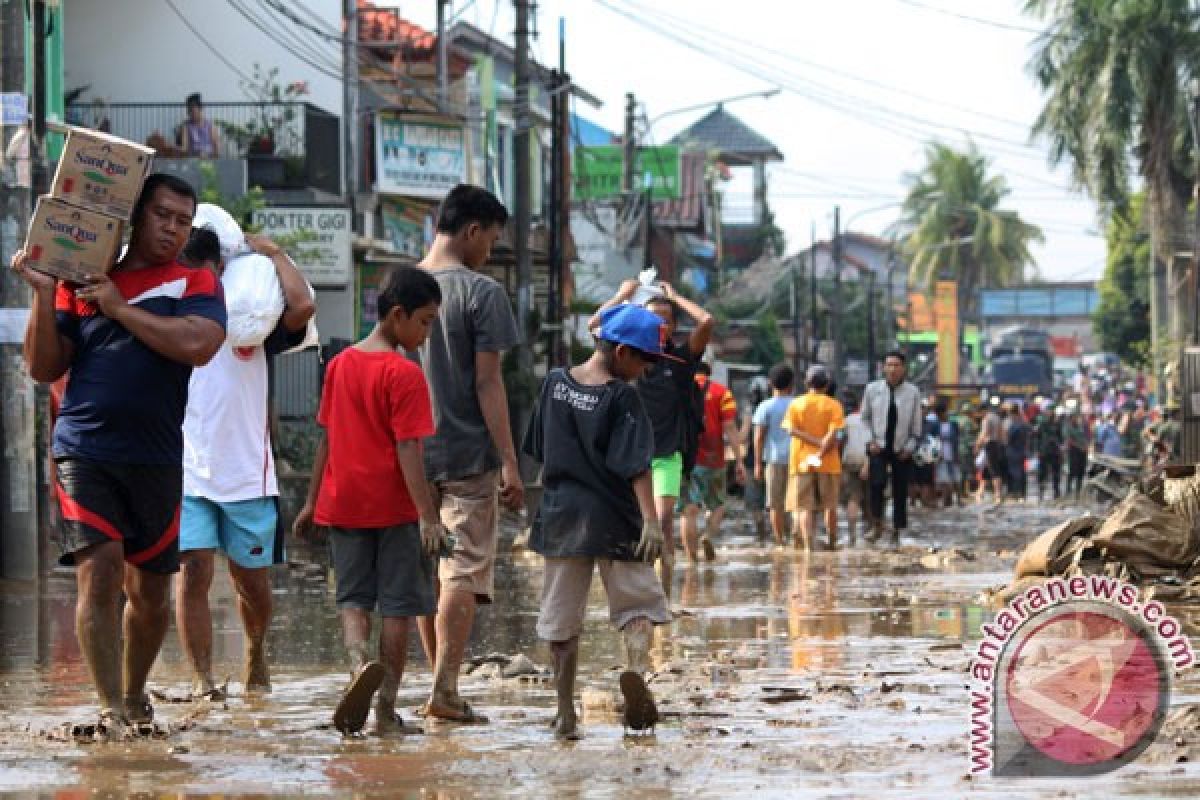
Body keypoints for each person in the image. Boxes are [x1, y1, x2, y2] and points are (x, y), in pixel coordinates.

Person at [13, 174, 226, 736]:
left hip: (157, 457)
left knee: (152, 594)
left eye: (184, 220)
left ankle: (134, 696)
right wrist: (41, 290)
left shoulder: (196, 281)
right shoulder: (81, 278)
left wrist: (118, 307)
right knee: (99, 572)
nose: (173, 229)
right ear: (136, 217)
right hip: (84, 448)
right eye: (163, 216)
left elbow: (198, 344)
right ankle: (111, 708)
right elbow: (42, 367)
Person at [293, 266, 444, 736]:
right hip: (396, 510)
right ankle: (385, 710)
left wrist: (310, 503)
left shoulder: (340, 364)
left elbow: (326, 438)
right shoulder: (405, 374)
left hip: (343, 505)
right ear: (397, 316)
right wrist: (428, 516)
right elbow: (408, 448)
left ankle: (358, 667)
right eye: (424, 321)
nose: (427, 332)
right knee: (398, 607)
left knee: (353, 600)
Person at [175, 228, 316, 700]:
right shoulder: (169, 318)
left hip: (247, 476)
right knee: (193, 571)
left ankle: (256, 650)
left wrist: (274, 252)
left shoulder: (251, 320)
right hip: (187, 470)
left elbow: (303, 308)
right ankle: (203, 679)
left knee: (251, 584)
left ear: (220, 270)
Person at [523, 303, 673, 740]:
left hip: (560, 517)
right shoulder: (622, 396)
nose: (646, 370)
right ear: (623, 352)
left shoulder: (553, 383)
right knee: (638, 606)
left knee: (560, 620)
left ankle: (565, 711)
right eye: (645, 360)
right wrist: (650, 521)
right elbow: (637, 466)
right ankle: (636, 674)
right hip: (616, 516)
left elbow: (540, 446)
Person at [415, 184, 523, 725]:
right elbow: (487, 384)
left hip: (409, 456)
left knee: (426, 571)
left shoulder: (401, 286)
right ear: (472, 230)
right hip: (465, 454)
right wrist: (509, 460)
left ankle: (441, 687)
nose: (491, 252)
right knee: (460, 570)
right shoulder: (482, 293)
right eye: (492, 240)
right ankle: (445, 688)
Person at [590, 281, 714, 600]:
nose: (660, 325)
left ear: (673, 326)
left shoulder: (682, 360)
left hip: (667, 453)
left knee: (662, 521)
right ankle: (632, 592)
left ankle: (664, 597)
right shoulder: (627, 354)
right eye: (653, 318)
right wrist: (622, 295)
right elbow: (594, 325)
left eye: (666, 319)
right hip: (628, 454)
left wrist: (674, 297)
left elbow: (707, 322)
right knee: (628, 524)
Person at [680, 363, 744, 563]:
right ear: (709, 373)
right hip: (713, 459)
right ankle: (708, 536)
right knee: (717, 505)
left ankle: (692, 561)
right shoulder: (722, 393)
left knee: (688, 511)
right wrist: (739, 459)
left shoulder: (678, 389)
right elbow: (730, 427)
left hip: (683, 458)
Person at [860, 351, 923, 545]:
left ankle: (896, 530)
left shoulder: (912, 392)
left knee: (900, 490)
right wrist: (870, 441)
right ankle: (877, 524)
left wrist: (910, 448)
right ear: (884, 367)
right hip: (878, 445)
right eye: (889, 365)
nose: (893, 369)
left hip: (902, 448)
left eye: (896, 365)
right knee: (876, 485)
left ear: (904, 368)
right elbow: (864, 418)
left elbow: (916, 426)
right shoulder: (872, 390)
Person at [783, 365, 845, 550]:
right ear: (827, 385)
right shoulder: (834, 405)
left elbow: (791, 430)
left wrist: (813, 445)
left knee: (804, 507)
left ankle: (808, 546)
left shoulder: (796, 404)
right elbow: (833, 434)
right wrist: (820, 450)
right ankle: (832, 542)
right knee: (830, 506)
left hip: (801, 463)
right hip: (828, 463)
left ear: (806, 383)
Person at [753, 364, 796, 547]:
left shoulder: (765, 406)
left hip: (774, 459)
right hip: (796, 459)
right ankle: (796, 538)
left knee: (775, 504)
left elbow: (759, 437)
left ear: (770, 384)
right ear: (792, 384)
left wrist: (757, 464)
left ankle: (779, 541)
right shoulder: (797, 404)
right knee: (796, 502)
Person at [739, 377, 770, 540]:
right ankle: (781, 537)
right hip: (773, 460)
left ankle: (761, 535)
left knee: (755, 502)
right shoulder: (771, 407)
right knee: (775, 501)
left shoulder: (749, 411)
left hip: (752, 461)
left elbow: (743, 436)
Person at [840, 392, 871, 545]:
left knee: (854, 497)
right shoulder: (875, 421)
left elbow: (841, 442)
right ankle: (870, 533)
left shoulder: (847, 420)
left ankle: (852, 535)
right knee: (871, 500)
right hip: (870, 461)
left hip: (850, 461)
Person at [976, 401, 1007, 506]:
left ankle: (997, 495)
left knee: (994, 470)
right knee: (987, 469)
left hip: (989, 445)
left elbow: (985, 433)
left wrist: (977, 445)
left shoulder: (987, 419)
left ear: (983, 410)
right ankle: (981, 492)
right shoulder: (997, 417)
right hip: (997, 445)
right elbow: (1002, 433)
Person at [933, 399, 961, 507]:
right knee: (944, 480)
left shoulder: (953, 424)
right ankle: (946, 502)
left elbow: (957, 440)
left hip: (953, 455)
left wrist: (957, 455)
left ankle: (958, 500)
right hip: (941, 456)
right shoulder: (935, 426)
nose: (942, 415)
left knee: (956, 478)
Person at [1034, 407, 1064, 502]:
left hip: (1055, 451)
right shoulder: (1042, 424)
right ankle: (1041, 492)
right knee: (1042, 473)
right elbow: (1036, 438)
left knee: (1056, 473)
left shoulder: (1057, 424)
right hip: (1044, 451)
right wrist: (1037, 450)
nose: (1050, 413)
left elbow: (1061, 438)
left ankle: (1056, 493)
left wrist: (1061, 448)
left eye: (1051, 411)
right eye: (1048, 411)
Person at [176, 93, 219, 158]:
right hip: (192, 160)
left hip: (209, 160)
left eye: (192, 110)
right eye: (189, 110)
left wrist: (209, 155)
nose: (190, 113)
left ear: (200, 109)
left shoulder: (211, 126)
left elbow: (216, 149)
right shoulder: (186, 127)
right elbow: (184, 148)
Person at [1004, 404, 1031, 501]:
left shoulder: (1010, 423)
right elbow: (1029, 434)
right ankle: (1022, 494)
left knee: (1014, 472)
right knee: (1022, 472)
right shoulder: (1024, 422)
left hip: (1013, 451)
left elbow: (1007, 438)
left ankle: (1016, 493)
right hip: (1022, 451)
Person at [1064, 409, 1090, 502]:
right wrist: (1080, 447)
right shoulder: (1068, 427)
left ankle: (1078, 494)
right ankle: (1068, 492)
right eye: (1075, 417)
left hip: (1083, 453)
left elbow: (1087, 438)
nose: (1077, 419)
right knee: (1072, 472)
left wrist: (1086, 446)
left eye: (1077, 417)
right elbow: (1069, 440)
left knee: (1081, 473)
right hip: (1074, 452)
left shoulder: (1083, 427)